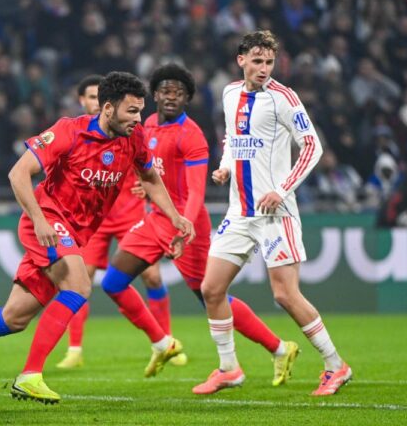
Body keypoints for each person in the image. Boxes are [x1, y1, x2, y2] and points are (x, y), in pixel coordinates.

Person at [0, 71, 194, 404]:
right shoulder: (70, 130)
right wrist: (39, 220)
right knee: (79, 285)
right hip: (49, 223)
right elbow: (18, 172)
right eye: (131, 111)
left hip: (74, 233)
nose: (138, 119)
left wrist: (175, 216)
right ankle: (30, 376)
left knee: (13, 318)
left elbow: (151, 178)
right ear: (108, 108)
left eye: (140, 111)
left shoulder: (134, 137)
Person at [102, 63, 300, 382]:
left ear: (187, 99)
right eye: (165, 91)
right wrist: (144, 186)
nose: (171, 97)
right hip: (156, 219)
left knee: (211, 296)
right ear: (154, 94)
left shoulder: (191, 135)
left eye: (179, 93)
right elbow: (151, 170)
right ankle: (164, 342)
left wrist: (185, 226)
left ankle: (279, 348)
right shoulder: (147, 124)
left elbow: (196, 192)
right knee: (113, 282)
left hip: (187, 223)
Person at [192, 30, 352, 396]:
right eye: (258, 61)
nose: (264, 69)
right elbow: (233, 138)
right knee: (211, 288)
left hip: (275, 213)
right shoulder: (230, 93)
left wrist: (281, 189)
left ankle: (335, 365)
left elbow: (312, 147)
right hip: (240, 211)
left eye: (269, 62)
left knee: (284, 295)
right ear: (241, 60)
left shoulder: (284, 98)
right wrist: (225, 166)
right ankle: (229, 368)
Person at [56, 74, 168, 370]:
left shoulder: (130, 131)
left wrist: (146, 188)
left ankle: (166, 340)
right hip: (93, 220)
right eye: (90, 97)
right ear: (85, 101)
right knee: (81, 281)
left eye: (98, 96)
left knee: (153, 277)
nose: (95, 102)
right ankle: (74, 349)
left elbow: (150, 171)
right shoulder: (77, 133)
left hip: (130, 213)